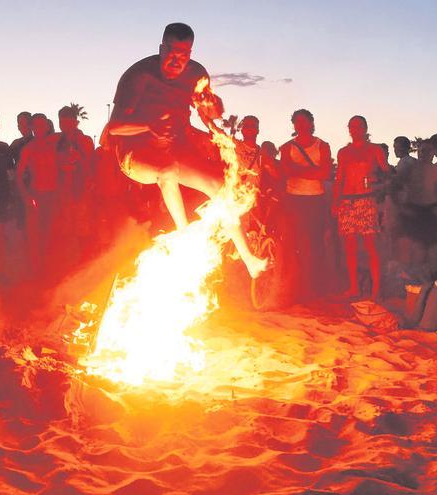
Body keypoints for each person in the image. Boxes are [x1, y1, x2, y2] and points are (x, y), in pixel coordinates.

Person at [105, 22, 266, 278]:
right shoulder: (138, 75)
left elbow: (206, 111)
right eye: (171, 53)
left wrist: (213, 121)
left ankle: (250, 261)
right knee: (167, 172)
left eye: (183, 55)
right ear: (161, 48)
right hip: (135, 154)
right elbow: (114, 127)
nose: (176, 61)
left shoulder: (197, 74)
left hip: (176, 148)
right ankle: (185, 238)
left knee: (219, 186)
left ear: (190, 53)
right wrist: (148, 125)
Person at [278, 109, 334, 302]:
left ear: (311, 123)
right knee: (294, 245)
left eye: (304, 121)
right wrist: (312, 171)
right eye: (297, 122)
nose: (301, 125)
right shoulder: (286, 147)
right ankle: (297, 288)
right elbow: (285, 171)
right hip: (294, 200)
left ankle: (316, 288)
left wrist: (297, 170)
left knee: (315, 244)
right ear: (294, 125)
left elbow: (326, 173)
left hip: (315, 199)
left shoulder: (322, 145)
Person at [333, 116, 390, 300]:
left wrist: (378, 181)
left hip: (366, 200)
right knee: (350, 248)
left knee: (370, 246)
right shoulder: (343, 152)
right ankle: (354, 287)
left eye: (358, 126)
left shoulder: (375, 150)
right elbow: (339, 178)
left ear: (365, 128)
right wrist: (336, 201)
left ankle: (376, 290)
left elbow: (387, 174)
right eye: (351, 126)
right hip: (347, 201)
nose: (354, 129)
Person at [397, 139, 437, 281]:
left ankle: (426, 280)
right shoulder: (410, 169)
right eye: (421, 150)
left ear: (434, 153)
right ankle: (408, 279)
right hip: (411, 211)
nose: (423, 154)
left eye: (427, 151)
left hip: (429, 213)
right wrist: (401, 206)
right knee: (409, 247)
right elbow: (395, 186)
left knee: (428, 248)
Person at [15, 114, 59, 272]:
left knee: (53, 234)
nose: (39, 129)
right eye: (36, 126)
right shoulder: (28, 149)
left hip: (54, 195)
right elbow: (18, 176)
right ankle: (36, 271)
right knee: (36, 237)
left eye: (42, 125)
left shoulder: (55, 143)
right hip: (37, 195)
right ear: (32, 128)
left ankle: (53, 269)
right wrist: (27, 197)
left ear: (47, 126)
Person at [53, 105, 95, 265]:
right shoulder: (58, 141)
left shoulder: (84, 140)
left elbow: (91, 164)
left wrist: (79, 160)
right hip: (63, 191)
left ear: (75, 122)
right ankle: (68, 263)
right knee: (65, 229)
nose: (64, 125)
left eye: (67, 122)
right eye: (61, 122)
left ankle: (85, 262)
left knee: (83, 228)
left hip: (81, 190)